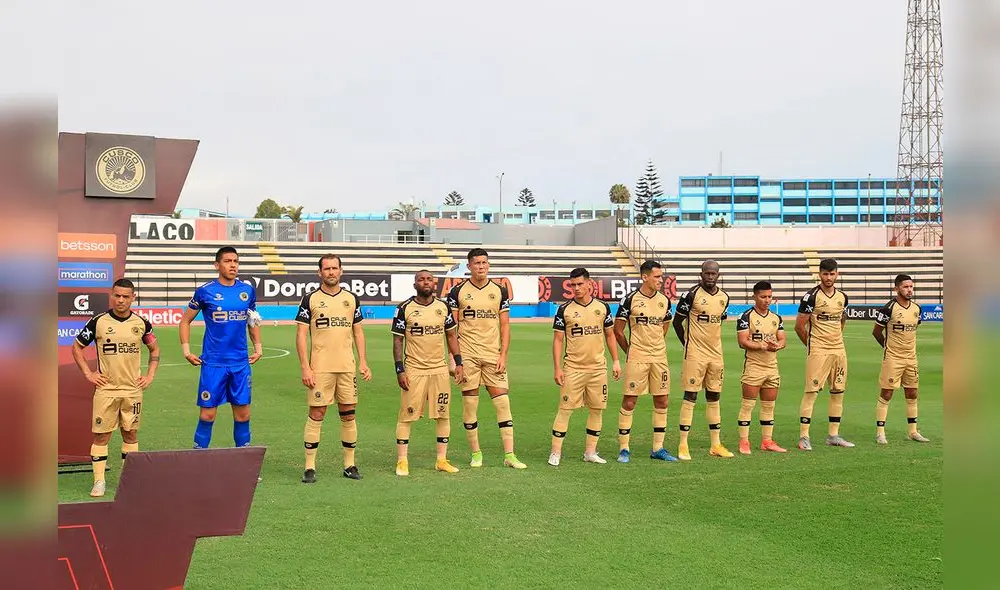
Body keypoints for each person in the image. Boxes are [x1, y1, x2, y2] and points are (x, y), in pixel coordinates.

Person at [71, 279, 159, 497]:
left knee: (130, 433)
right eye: (117, 295)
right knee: (102, 436)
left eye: (125, 296)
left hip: (132, 390)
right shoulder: (98, 321)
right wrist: (88, 374)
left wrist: (150, 376)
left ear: (133, 298)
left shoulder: (142, 323)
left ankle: (128, 481)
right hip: (106, 390)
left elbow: (154, 350)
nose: (120, 300)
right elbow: (77, 347)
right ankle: (99, 481)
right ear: (112, 296)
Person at [446, 248, 526, 469]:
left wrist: (503, 355)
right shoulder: (457, 291)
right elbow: (451, 329)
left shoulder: (499, 290)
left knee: (503, 403)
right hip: (467, 356)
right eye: (476, 263)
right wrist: (454, 359)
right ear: (469, 266)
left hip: (492, 355)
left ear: (488, 265)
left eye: (484, 263)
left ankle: (509, 455)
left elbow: (505, 325)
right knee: (470, 405)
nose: (481, 266)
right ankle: (476, 453)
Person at [296, 254, 372, 484]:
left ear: (341, 271)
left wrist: (363, 361)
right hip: (320, 368)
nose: (331, 272)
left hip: (346, 367)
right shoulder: (310, 299)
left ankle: (349, 464)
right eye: (327, 268)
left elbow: (358, 332)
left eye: (334, 268)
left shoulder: (351, 298)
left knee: (348, 414)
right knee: (317, 413)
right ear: (319, 272)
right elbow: (301, 335)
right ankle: (309, 467)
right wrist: (305, 367)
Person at [179, 246, 262, 450]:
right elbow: (185, 321)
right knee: (207, 415)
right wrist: (186, 350)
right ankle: (199, 458)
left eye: (236, 261)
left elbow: (252, 320)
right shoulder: (205, 291)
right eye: (227, 261)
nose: (233, 265)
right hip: (213, 363)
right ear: (217, 265)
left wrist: (258, 347)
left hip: (240, 363)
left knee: (243, 415)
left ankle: (243, 460)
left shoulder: (247, 291)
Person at [391, 270, 465, 476]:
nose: (425, 282)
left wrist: (459, 363)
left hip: (439, 369)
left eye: (429, 279)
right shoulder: (404, 308)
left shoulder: (443, 307)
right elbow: (397, 340)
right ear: (415, 284)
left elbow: (451, 336)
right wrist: (399, 369)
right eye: (421, 279)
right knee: (407, 415)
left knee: (443, 414)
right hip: (414, 370)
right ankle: (402, 461)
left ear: (435, 284)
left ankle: (441, 460)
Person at [548, 267, 621, 466]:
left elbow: (609, 335)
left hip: (598, 369)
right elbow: (558, 340)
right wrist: (557, 368)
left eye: (580, 284)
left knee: (597, 410)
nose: (576, 288)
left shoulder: (602, 307)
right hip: (573, 368)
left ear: (589, 284)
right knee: (565, 410)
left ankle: (590, 452)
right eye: (573, 285)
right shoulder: (564, 310)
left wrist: (615, 361)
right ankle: (555, 452)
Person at [612, 259, 677, 463]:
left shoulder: (664, 300)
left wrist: (655, 344)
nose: (661, 280)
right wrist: (630, 350)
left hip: (659, 357)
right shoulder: (630, 299)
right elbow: (618, 330)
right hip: (637, 357)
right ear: (645, 277)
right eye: (657, 276)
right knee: (630, 401)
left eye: (661, 276)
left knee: (662, 400)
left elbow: (664, 326)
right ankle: (624, 449)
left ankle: (658, 448)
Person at [672, 260, 734, 460]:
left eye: (713, 273)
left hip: (716, 354)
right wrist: (687, 344)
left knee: (714, 396)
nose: (710, 276)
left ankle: (715, 444)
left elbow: (718, 322)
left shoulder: (724, 297)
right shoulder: (690, 295)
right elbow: (677, 322)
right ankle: (683, 445)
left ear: (718, 275)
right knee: (690, 395)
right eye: (707, 273)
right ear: (701, 274)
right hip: (695, 354)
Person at [794, 258, 854, 450]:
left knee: (838, 391)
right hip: (818, 350)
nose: (829, 277)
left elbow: (842, 320)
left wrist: (836, 340)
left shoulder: (843, 297)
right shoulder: (810, 297)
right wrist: (812, 345)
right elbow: (799, 326)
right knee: (811, 392)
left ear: (837, 274)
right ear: (819, 274)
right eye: (825, 274)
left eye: (832, 274)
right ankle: (804, 436)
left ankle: (833, 435)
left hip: (839, 350)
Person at [873, 274, 930, 444]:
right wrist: (887, 348)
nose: (909, 290)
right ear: (896, 288)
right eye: (905, 287)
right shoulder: (888, 308)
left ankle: (913, 431)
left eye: (911, 286)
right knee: (887, 393)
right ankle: (880, 432)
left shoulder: (916, 308)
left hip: (911, 358)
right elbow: (876, 332)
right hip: (893, 358)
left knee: (912, 393)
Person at [735, 281, 788, 454]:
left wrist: (777, 346)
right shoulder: (746, 317)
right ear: (754, 296)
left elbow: (782, 339)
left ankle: (767, 441)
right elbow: (742, 342)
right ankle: (744, 442)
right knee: (747, 405)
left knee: (769, 406)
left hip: (772, 367)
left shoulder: (776, 318)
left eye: (770, 296)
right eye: (763, 296)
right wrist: (762, 346)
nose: (767, 300)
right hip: (754, 366)